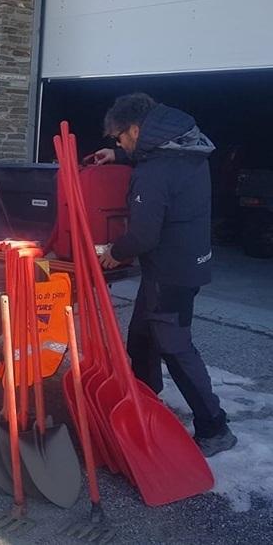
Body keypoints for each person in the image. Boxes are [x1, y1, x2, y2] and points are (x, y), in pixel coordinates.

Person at [92, 93, 237, 458]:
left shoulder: (153, 173)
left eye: (120, 139)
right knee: (141, 336)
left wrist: (114, 252)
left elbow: (143, 236)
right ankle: (146, 400)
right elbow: (157, 161)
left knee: (174, 346)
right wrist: (120, 157)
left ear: (137, 129)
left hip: (171, 271)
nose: (119, 143)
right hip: (186, 264)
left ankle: (214, 427)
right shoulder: (185, 148)